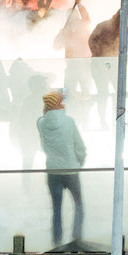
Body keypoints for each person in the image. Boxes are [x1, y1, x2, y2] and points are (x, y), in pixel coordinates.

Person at [38, 91, 87, 246]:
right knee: (78, 204)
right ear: (60, 104)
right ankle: (77, 237)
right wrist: (79, 162)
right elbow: (79, 146)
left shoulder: (41, 123)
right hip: (71, 170)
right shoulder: (69, 122)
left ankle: (57, 240)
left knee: (56, 208)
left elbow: (44, 145)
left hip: (53, 171)